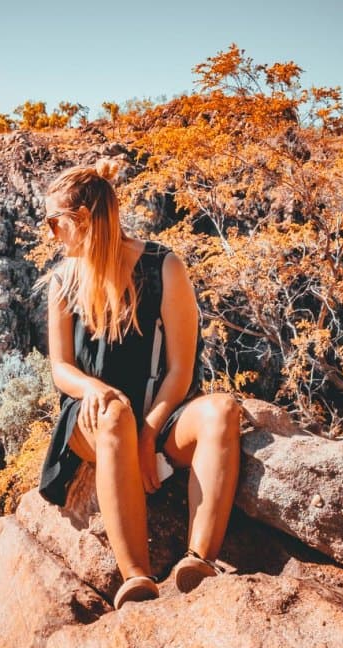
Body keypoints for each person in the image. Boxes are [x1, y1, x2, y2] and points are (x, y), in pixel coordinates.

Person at [34, 159, 241, 610]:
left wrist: (149, 434)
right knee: (115, 413)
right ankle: (137, 578)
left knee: (223, 409)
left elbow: (180, 370)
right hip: (96, 418)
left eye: (55, 223)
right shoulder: (63, 281)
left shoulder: (163, 267)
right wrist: (92, 389)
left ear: (84, 221)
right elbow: (61, 369)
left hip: (162, 415)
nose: (51, 234)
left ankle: (199, 560)